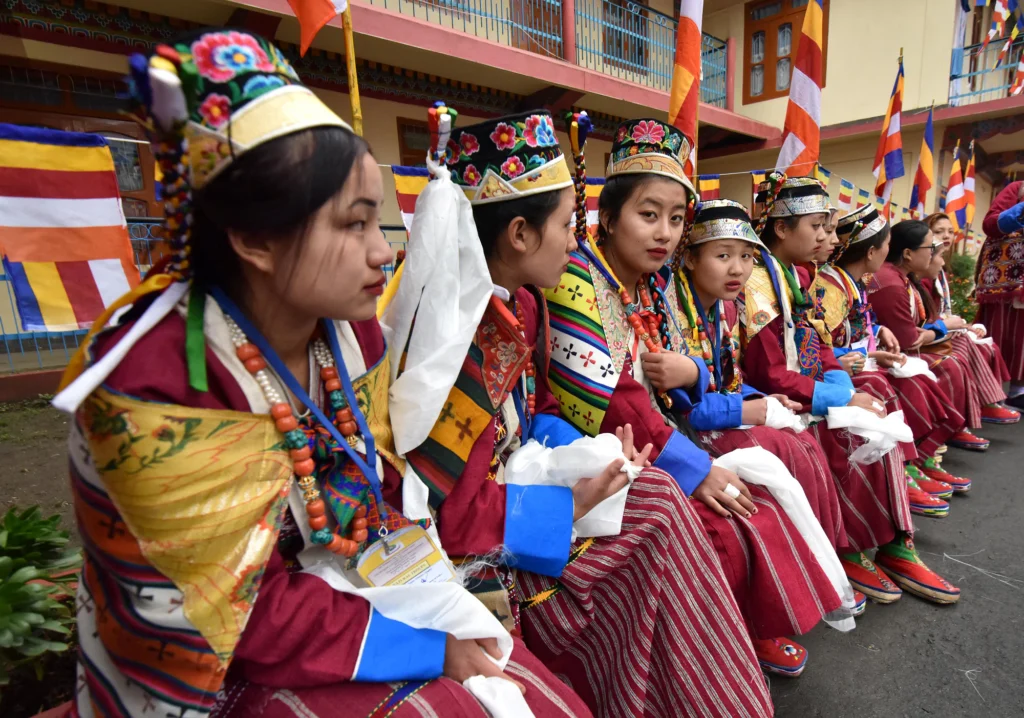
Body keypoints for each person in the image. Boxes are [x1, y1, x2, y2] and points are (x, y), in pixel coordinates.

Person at [52, 32, 592, 718]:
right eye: (352, 225)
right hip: (206, 661)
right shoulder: (158, 381)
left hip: (337, 590)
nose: (379, 254)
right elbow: (234, 613)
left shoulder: (348, 333)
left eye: (378, 223)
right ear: (253, 240)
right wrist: (428, 644)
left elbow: (370, 496)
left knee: (524, 688)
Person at [384, 111, 774, 717]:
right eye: (568, 223)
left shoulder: (524, 307)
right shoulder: (456, 342)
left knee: (660, 497)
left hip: (525, 490)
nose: (575, 239)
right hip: (484, 544)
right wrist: (573, 502)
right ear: (519, 234)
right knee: (660, 520)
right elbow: (455, 518)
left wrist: (586, 453)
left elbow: (538, 410)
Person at [544, 119, 847, 680]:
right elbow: (612, 399)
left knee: (763, 490)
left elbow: (688, 378)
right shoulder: (577, 280)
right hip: (601, 450)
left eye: (676, 218)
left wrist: (697, 389)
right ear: (607, 217)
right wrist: (695, 467)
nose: (663, 232)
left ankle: (748, 630)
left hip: (658, 439)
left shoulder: (649, 288)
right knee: (722, 525)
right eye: (648, 214)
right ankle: (706, 658)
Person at [743, 175, 960, 606]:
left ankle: (897, 541)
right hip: (783, 399)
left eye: (827, 225)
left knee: (874, 408)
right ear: (782, 229)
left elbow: (819, 344)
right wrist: (840, 396)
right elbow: (770, 374)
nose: (827, 236)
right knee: (853, 431)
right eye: (817, 226)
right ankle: (853, 548)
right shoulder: (757, 284)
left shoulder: (792, 276)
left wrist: (842, 385)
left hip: (810, 389)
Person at [674, 199, 846, 554]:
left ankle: (822, 555)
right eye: (723, 256)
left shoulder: (726, 308)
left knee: (803, 442)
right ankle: (802, 557)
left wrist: (758, 399)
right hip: (684, 433)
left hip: (719, 413)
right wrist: (750, 410)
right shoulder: (672, 312)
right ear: (690, 258)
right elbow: (681, 406)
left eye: (748, 257)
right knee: (780, 446)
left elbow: (730, 380)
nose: (738, 269)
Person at [816, 205, 972, 500]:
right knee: (895, 383)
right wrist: (871, 353)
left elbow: (855, 330)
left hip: (859, 361)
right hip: (845, 369)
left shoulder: (856, 282)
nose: (829, 240)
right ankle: (905, 467)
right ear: (872, 252)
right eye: (887, 246)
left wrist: (876, 332)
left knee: (920, 372)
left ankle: (917, 460)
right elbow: (826, 343)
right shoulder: (834, 286)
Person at [869, 221, 991, 452]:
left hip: (890, 350)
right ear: (907, 254)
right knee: (948, 365)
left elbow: (915, 333)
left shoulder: (900, 278)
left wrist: (933, 331)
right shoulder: (890, 282)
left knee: (961, 350)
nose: (937, 256)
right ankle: (924, 449)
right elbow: (909, 341)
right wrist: (941, 328)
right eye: (930, 248)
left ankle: (951, 431)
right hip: (882, 356)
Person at [925, 212, 1018, 424]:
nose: (946, 236)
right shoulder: (923, 273)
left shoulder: (939, 268)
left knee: (986, 344)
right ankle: (964, 419)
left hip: (938, 328)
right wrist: (955, 327)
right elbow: (924, 318)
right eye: (939, 232)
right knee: (963, 349)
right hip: (928, 335)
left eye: (950, 231)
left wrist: (963, 325)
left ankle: (986, 404)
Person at [978, 180, 1024, 407]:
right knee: (1000, 333)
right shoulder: (1017, 188)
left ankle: (1018, 392)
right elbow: (990, 224)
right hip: (1006, 278)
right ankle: (989, 393)